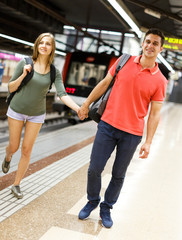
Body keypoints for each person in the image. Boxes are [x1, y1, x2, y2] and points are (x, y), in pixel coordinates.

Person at [77, 29, 168, 228]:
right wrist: (86, 103)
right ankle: (93, 200)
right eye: (148, 41)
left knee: (118, 174)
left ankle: (106, 208)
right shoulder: (124, 61)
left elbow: (154, 114)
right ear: (143, 43)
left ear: (161, 49)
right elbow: (104, 84)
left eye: (155, 43)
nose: (150, 46)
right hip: (107, 125)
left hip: (132, 133)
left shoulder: (160, 80)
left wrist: (148, 141)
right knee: (94, 169)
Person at [2, 33, 81, 199]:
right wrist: (24, 74)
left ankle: (16, 184)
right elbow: (10, 88)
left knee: (26, 149)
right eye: (41, 43)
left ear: (52, 48)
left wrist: (78, 108)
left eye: (48, 44)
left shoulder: (54, 72)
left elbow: (62, 94)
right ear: (37, 45)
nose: (44, 46)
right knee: (14, 146)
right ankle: (8, 156)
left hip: (36, 114)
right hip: (17, 109)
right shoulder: (25, 63)